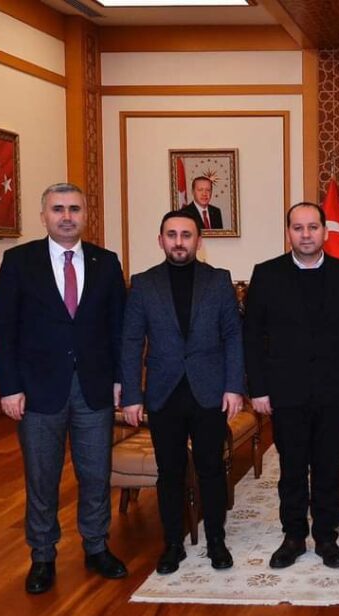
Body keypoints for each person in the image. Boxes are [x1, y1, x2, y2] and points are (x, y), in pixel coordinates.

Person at [0, 182, 127, 594]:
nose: (67, 217)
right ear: (43, 216)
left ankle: (96, 546)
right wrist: (9, 387)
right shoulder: (19, 262)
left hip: (94, 388)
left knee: (95, 473)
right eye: (58, 209)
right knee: (42, 476)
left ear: (86, 215)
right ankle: (43, 555)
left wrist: (120, 379)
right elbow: (3, 330)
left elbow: (119, 329)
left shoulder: (106, 262)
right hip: (37, 391)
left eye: (74, 209)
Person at [243, 201, 339, 569]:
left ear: (325, 232)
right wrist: (258, 389)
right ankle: (294, 536)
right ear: (289, 233)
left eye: (312, 227)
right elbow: (252, 337)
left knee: (328, 468)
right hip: (286, 391)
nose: (305, 235)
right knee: (292, 469)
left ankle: (327, 537)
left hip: (335, 390)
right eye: (298, 228)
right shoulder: (266, 274)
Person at [120, 209, 245, 575]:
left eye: (186, 235)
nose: (179, 241)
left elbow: (233, 336)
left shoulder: (218, 281)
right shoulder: (143, 284)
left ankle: (216, 540)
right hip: (164, 392)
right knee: (170, 472)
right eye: (171, 235)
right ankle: (173, 543)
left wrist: (234, 386)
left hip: (209, 391)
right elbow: (131, 341)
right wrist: (131, 395)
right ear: (161, 240)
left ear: (198, 241)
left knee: (211, 468)